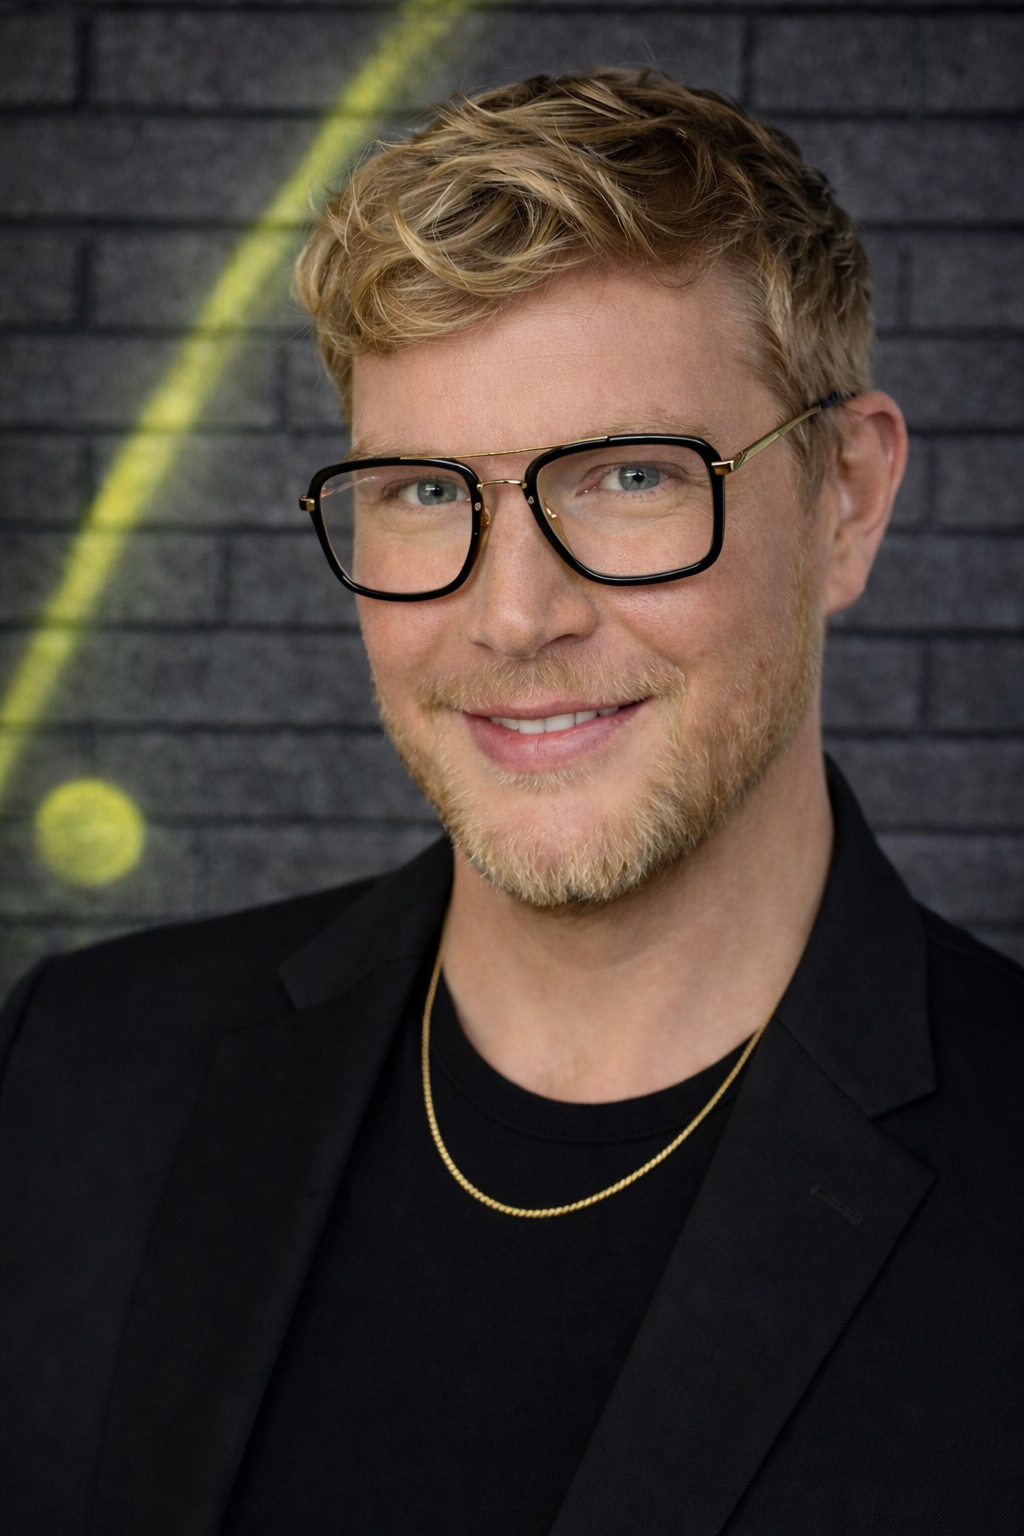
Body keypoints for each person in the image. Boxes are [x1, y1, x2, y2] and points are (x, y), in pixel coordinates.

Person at [1, 69, 1020, 1536]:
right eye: (422, 492)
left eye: (624, 475)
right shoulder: (76, 1070)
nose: (512, 613)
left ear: (846, 498)